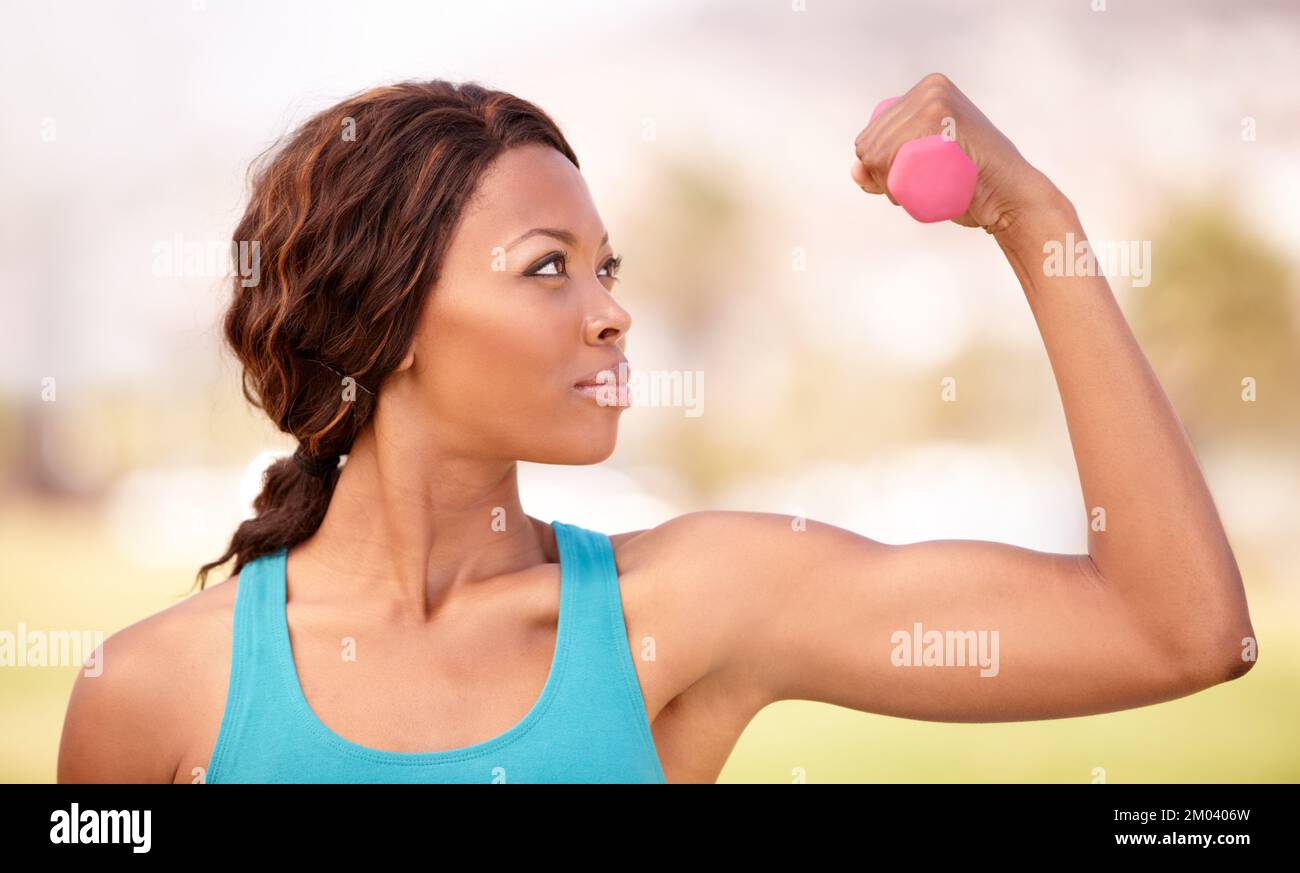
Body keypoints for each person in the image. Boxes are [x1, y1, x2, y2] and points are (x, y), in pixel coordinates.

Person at [57, 74, 1256, 784]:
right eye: (547, 271)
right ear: (394, 320)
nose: (613, 314)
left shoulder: (685, 612)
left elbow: (1178, 633)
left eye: (606, 267)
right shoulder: (155, 692)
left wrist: (1032, 216)